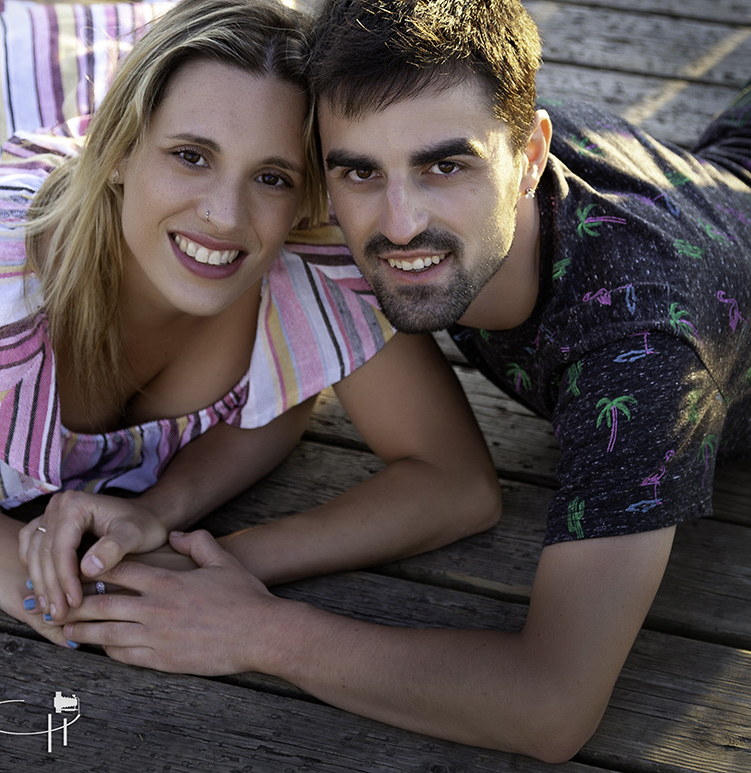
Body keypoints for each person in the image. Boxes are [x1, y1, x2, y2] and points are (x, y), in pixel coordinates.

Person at [53, 0, 751, 763]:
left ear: (529, 155)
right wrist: (187, 536)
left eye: (444, 166)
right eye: (358, 170)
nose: (399, 223)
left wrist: (259, 629)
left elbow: (552, 705)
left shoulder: (644, 357)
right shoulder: (377, 195)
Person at [0, 0, 499, 650]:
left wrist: (203, 545)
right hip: (5, 58)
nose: (225, 215)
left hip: (145, 41)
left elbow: (456, 482)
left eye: (272, 177)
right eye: (190, 157)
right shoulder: (2, 285)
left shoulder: (309, 262)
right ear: (116, 153)